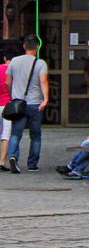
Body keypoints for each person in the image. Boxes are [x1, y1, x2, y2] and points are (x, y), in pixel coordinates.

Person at [5, 35, 49, 173]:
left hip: (19, 103)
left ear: (24, 46)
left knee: (15, 133)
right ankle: (32, 164)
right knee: (35, 135)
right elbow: (43, 82)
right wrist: (46, 99)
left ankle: (13, 156)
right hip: (35, 103)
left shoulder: (14, 62)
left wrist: (13, 95)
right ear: (37, 47)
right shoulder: (40, 63)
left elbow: (7, 82)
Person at [0, 45, 12, 171]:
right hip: (8, 105)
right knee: (6, 135)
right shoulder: (13, 71)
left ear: (4, 57)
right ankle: (2, 161)